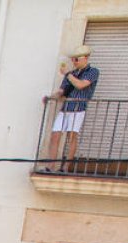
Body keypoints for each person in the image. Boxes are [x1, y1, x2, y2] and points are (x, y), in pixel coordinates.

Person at [42, 45, 99, 173]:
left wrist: (67, 74)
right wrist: (50, 98)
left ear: (86, 58)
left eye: (77, 59)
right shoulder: (72, 74)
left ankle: (66, 167)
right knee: (55, 135)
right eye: (73, 59)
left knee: (72, 136)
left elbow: (81, 85)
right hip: (66, 108)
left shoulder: (93, 71)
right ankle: (50, 166)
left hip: (78, 108)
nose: (74, 62)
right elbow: (61, 92)